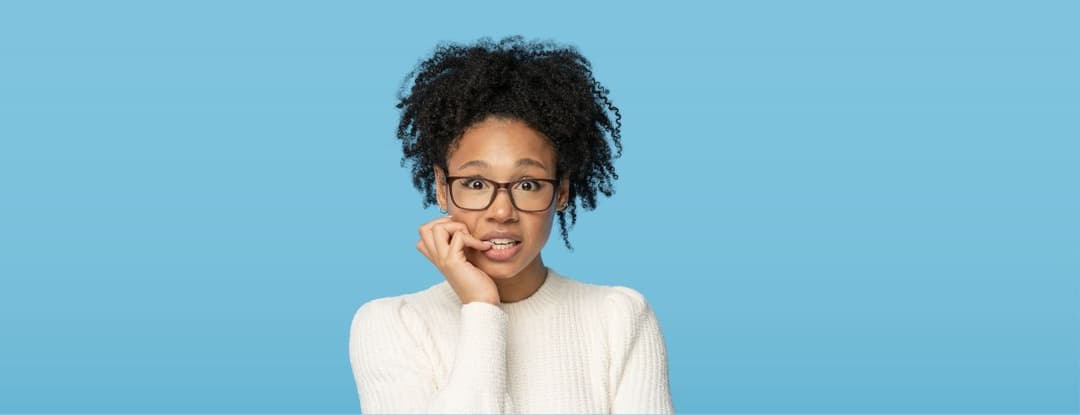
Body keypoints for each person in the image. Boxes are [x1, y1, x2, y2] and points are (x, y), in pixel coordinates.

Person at [348, 35, 674, 414]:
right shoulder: (392, 324)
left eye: (528, 184)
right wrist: (482, 307)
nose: (502, 211)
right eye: (475, 184)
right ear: (441, 187)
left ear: (562, 190)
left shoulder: (620, 317)